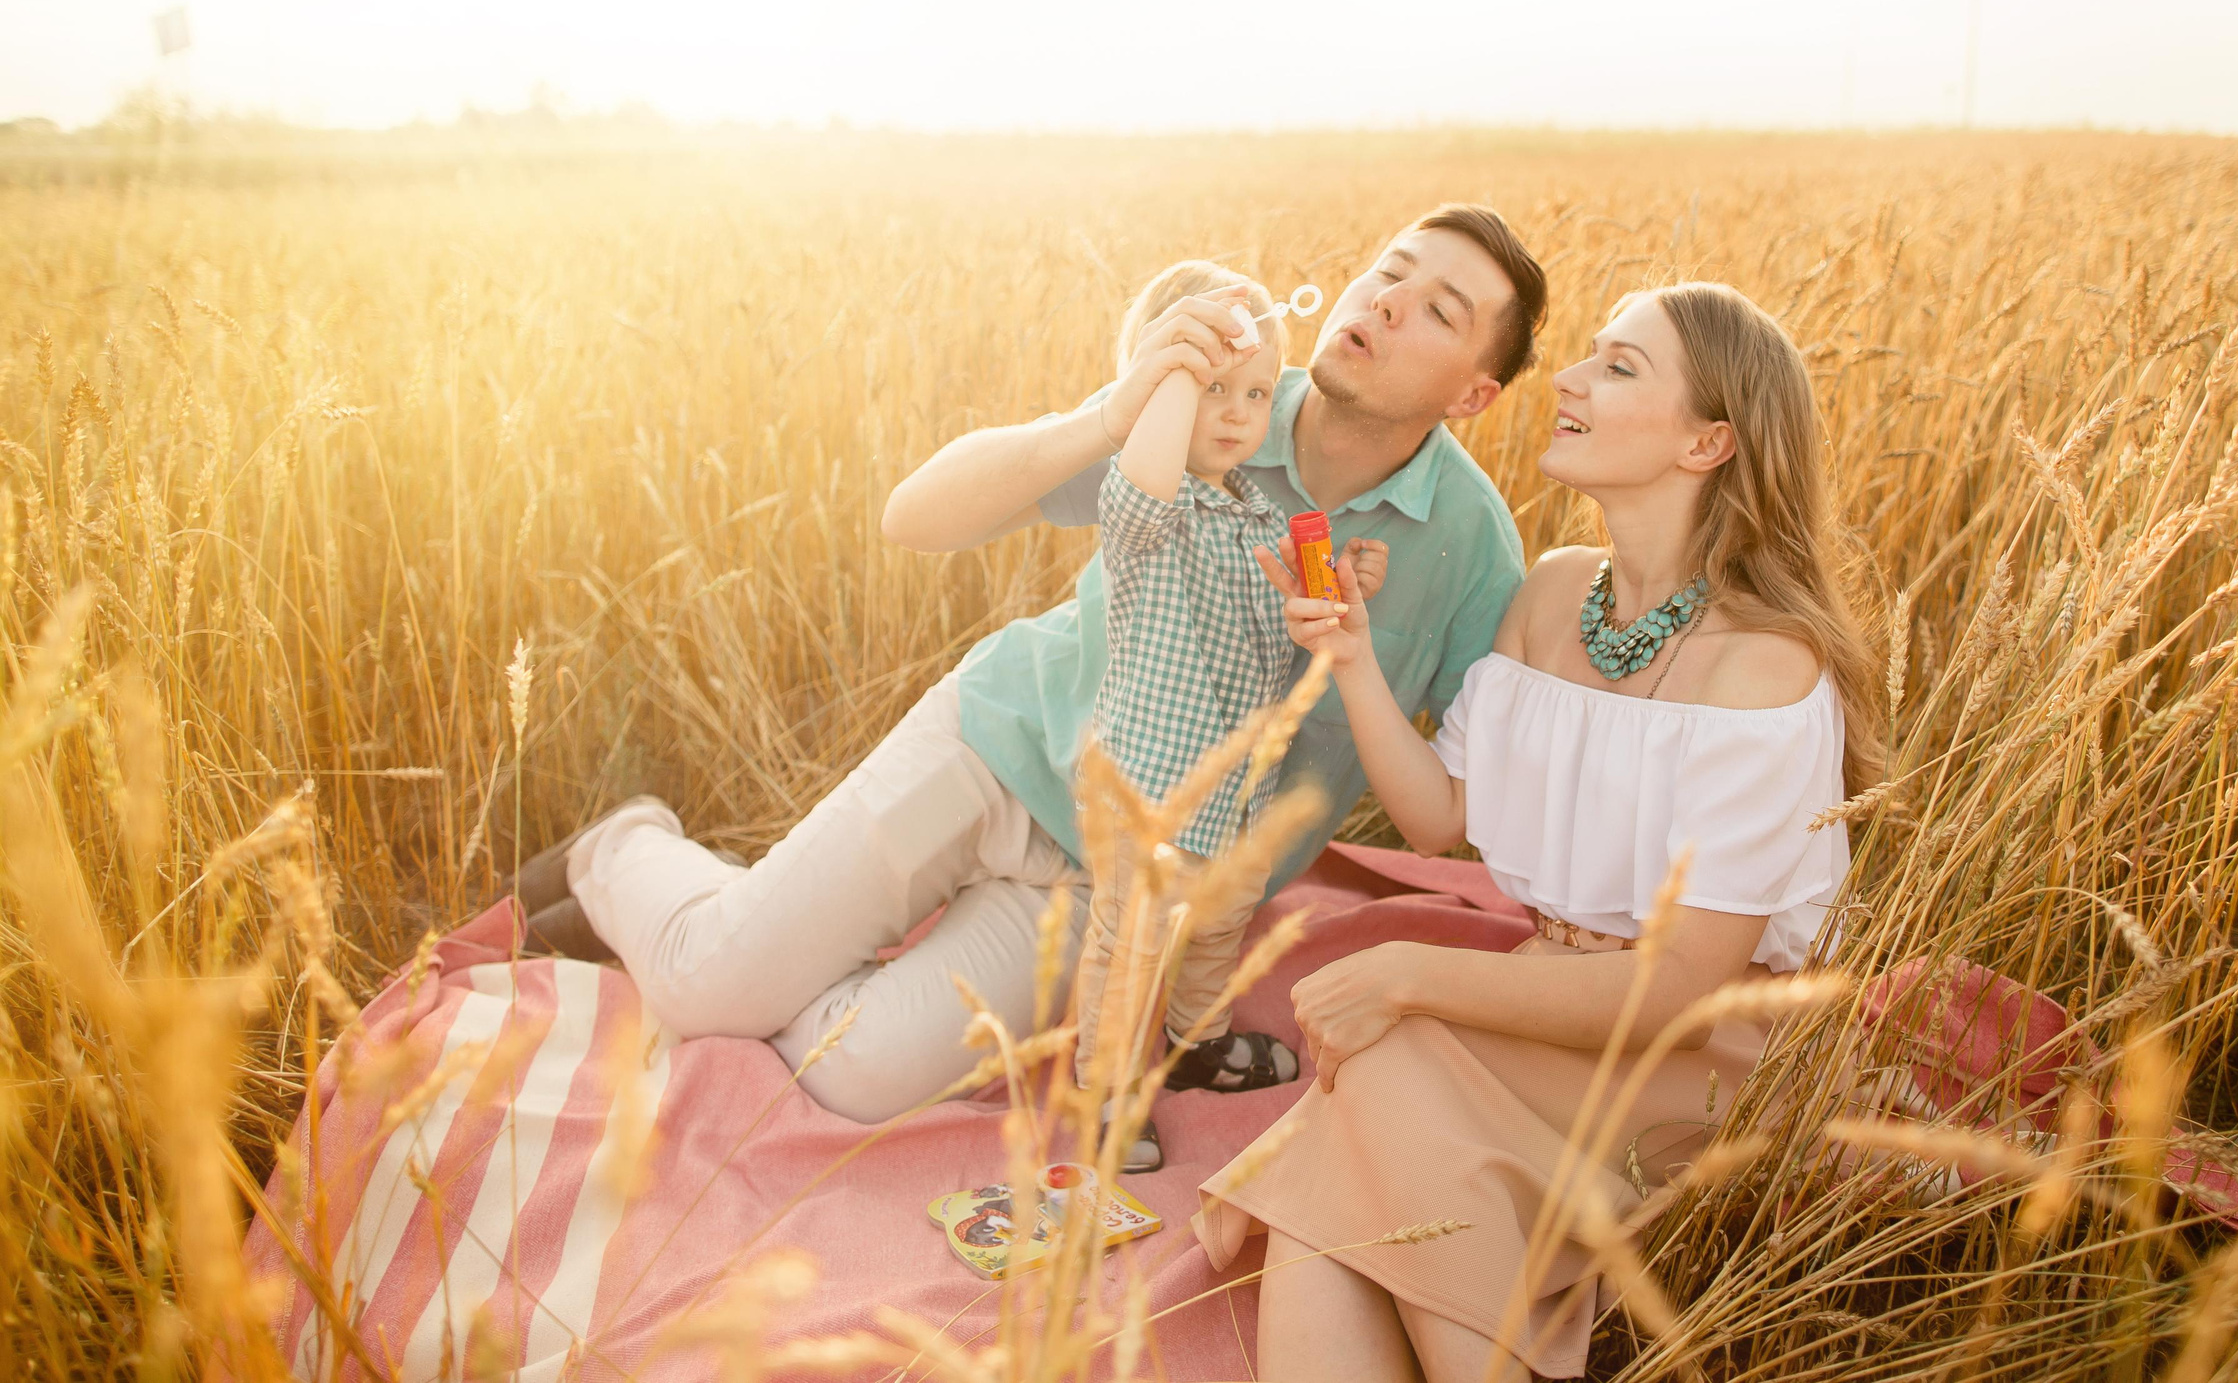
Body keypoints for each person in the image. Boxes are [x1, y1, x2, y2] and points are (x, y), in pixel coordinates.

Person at [510, 205, 1548, 1126]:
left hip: (1118, 886)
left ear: (1474, 396)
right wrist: (1111, 413)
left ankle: (763, 932)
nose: (1387, 300)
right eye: (1388, 270)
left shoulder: (1469, 551)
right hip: (998, 753)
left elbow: (1442, 817)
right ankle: (624, 848)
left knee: (854, 1073)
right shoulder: (1211, 394)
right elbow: (913, 519)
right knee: (706, 987)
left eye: (1439, 309)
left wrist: (1353, 663)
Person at [1196, 281, 1882, 1383]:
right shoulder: (1556, 591)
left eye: (1619, 367)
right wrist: (1352, 659)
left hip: (1699, 1055)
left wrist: (1408, 972)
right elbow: (1440, 817)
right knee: (1367, 1114)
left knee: (1378, 1075)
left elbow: (1678, 993)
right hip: (1550, 998)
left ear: (1707, 441)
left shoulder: (1762, 667)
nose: (1566, 377)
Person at [1067, 259, 1387, 1171]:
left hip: (1239, 790)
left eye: (1256, 391)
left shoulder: (1262, 518)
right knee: (1130, 945)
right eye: (1212, 387)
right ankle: (1107, 1093)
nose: (1241, 412)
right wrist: (1174, 365)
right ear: (1159, 387)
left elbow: (1283, 638)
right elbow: (1142, 476)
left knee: (1217, 927)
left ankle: (1196, 1041)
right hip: (1150, 788)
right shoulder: (1146, 503)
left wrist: (1338, 592)